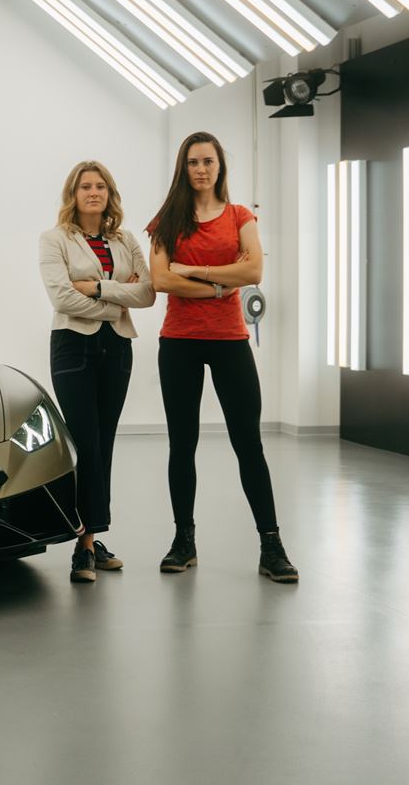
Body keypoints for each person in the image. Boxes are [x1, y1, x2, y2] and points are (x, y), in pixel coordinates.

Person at [146, 132, 298, 583]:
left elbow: (253, 270)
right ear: (183, 167)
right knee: (182, 443)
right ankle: (183, 541)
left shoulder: (239, 216)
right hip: (179, 341)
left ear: (219, 166)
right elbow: (160, 281)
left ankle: (271, 545)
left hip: (230, 340)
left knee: (248, 443)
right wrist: (218, 287)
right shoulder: (167, 220)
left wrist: (194, 270)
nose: (201, 169)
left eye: (208, 161)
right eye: (193, 161)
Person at [38, 160, 154, 584]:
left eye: (100, 186)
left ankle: (92, 538)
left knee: (104, 443)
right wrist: (116, 301)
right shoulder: (54, 240)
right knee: (85, 443)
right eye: (85, 186)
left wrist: (102, 288)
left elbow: (147, 293)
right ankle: (83, 547)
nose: (93, 192)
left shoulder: (124, 240)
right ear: (74, 193)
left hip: (116, 347)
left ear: (109, 193)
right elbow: (63, 298)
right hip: (73, 347)